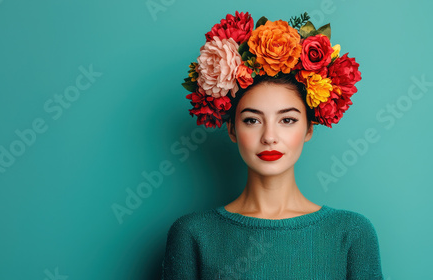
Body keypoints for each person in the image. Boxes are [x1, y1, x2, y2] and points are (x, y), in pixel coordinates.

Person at [162, 11, 384, 279]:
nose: (269, 136)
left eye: (287, 120)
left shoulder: (351, 233)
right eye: (252, 120)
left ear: (309, 128)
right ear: (232, 129)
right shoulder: (192, 234)